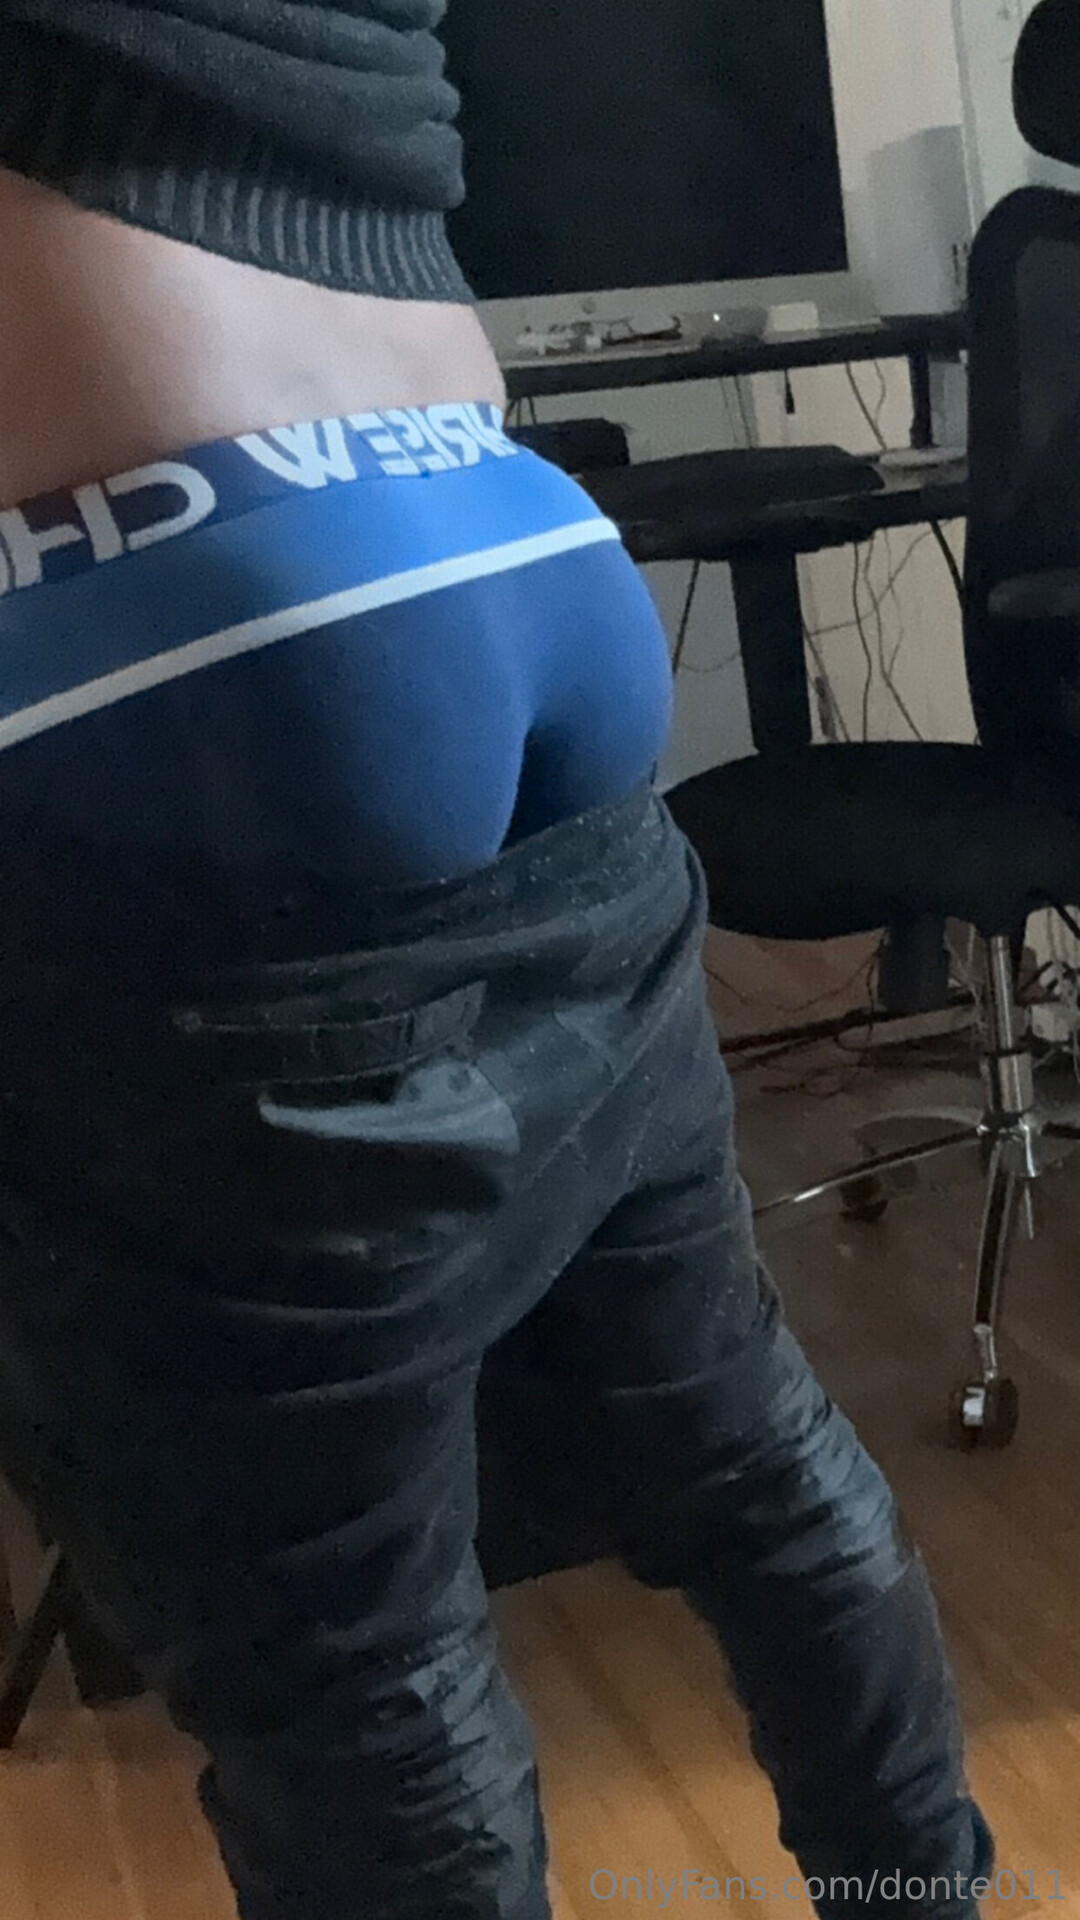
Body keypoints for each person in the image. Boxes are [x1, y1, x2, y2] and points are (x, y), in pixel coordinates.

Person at [0, 5, 992, 1919]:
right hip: (499, 522)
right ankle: (915, 1898)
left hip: (182, 600)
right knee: (745, 1452)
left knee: (346, 1645)